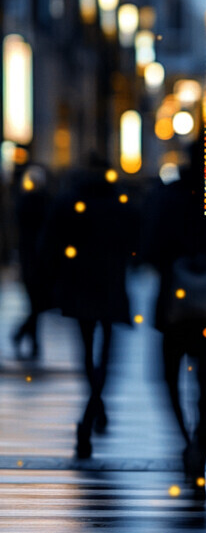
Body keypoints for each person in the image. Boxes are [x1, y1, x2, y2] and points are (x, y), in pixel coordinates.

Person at [143, 139, 206, 498]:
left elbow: (150, 247)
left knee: (168, 377)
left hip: (174, 305)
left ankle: (185, 439)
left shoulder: (170, 197)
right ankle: (200, 451)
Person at [41, 157, 137, 458]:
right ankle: (94, 407)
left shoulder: (70, 200)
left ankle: (93, 407)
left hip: (79, 283)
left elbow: (50, 244)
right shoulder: (118, 203)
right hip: (109, 283)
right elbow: (134, 240)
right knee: (106, 353)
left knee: (85, 350)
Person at [11, 164, 52, 360]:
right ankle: (26, 336)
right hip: (39, 259)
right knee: (38, 303)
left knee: (36, 303)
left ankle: (28, 337)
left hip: (30, 258)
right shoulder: (43, 203)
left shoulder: (24, 203)